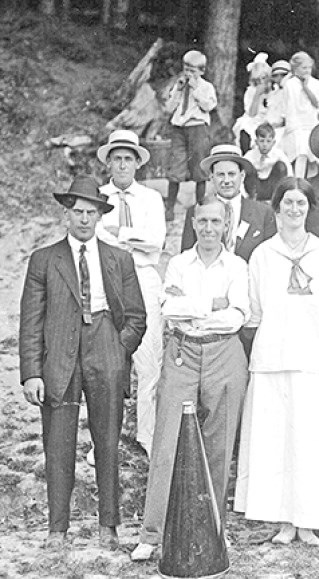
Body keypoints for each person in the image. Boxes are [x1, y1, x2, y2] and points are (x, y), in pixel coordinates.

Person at [20, 176, 146, 550]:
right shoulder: (45, 259)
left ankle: (109, 524)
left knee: (107, 439)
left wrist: (117, 350)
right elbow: (31, 321)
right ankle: (57, 528)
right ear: (66, 214)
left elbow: (137, 316)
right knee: (58, 442)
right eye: (77, 212)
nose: (84, 220)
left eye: (91, 213)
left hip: (104, 346)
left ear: (100, 216)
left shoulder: (118, 258)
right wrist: (31, 372)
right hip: (60, 353)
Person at [234, 177, 319, 546]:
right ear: (276, 209)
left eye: (300, 204)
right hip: (272, 359)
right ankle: (284, 521)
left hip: (312, 360)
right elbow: (254, 312)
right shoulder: (261, 255)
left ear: (309, 209)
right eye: (287, 203)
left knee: (310, 441)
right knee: (277, 442)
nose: (293, 210)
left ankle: (309, 519)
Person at [131, 196, 250, 562]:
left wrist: (194, 306)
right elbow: (169, 310)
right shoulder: (179, 263)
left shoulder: (237, 265)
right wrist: (209, 304)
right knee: (168, 442)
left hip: (223, 353)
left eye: (216, 221)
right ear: (194, 224)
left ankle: (214, 530)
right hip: (183, 353)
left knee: (218, 446)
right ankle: (152, 534)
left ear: (225, 225)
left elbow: (237, 315)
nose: (209, 228)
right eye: (203, 221)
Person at [96, 130, 166, 458]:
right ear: (108, 162)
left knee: (150, 360)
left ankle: (147, 435)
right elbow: (98, 241)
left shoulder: (151, 199)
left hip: (145, 278)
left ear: (138, 163)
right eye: (117, 158)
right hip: (109, 281)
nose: (122, 164)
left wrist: (121, 233)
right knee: (108, 362)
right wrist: (131, 240)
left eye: (128, 158)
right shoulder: (96, 198)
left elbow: (157, 242)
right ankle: (105, 440)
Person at [181, 144, 275, 263]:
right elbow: (187, 260)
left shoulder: (263, 213)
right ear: (211, 177)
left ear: (242, 176)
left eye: (231, 174)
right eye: (220, 175)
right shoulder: (197, 211)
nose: (226, 181)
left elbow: (270, 261)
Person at [164, 50, 218, 221]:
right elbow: (169, 107)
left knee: (199, 165)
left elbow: (209, 106)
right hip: (179, 127)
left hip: (197, 127)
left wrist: (196, 90)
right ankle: (170, 208)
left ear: (201, 71)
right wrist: (179, 90)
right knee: (176, 164)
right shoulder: (179, 85)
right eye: (186, 69)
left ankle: (200, 206)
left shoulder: (206, 87)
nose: (188, 74)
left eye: (193, 71)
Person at [280, 51, 319, 179]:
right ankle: (298, 182)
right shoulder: (289, 84)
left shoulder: (316, 84)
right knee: (300, 155)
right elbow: (286, 106)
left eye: (309, 67)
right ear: (295, 69)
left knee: (314, 159)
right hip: (296, 126)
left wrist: (306, 87)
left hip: (312, 124)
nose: (307, 70)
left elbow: (317, 104)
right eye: (303, 68)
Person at [243, 122, 291, 202]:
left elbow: (289, 173)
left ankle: (277, 199)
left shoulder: (278, 154)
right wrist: (244, 195)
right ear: (256, 142)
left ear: (273, 143)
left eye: (268, 141)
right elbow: (241, 174)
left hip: (271, 185)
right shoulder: (250, 155)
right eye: (262, 141)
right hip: (255, 186)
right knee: (248, 167)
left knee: (281, 166)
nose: (265, 144)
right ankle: (252, 199)